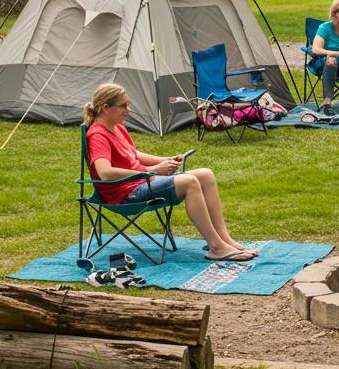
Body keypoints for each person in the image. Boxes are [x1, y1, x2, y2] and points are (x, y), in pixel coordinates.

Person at [83, 83, 257, 263]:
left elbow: (133, 154)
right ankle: (217, 247)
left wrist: (164, 160)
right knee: (189, 182)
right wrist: (152, 170)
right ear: (106, 108)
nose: (129, 109)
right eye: (123, 106)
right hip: (125, 194)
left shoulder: (117, 127)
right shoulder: (98, 135)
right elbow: (105, 173)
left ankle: (224, 239)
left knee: (205, 175)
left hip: (141, 182)